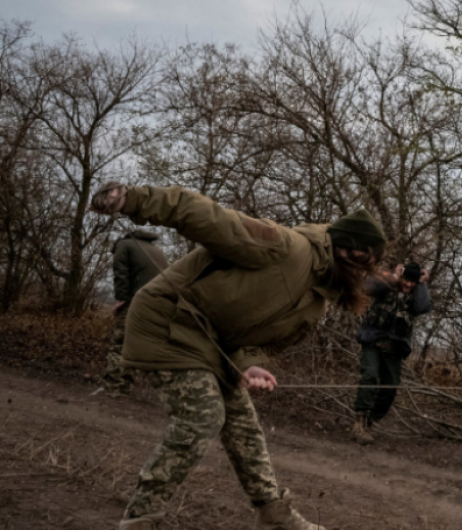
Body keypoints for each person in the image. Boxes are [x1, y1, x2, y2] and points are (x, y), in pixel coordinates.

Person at [87, 182, 386, 530]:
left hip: (212, 342)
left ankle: (273, 513)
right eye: (367, 266)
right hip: (169, 319)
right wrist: (133, 199)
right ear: (350, 253)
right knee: (203, 417)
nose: (365, 277)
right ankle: (141, 517)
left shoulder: (315, 300)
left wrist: (251, 364)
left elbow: (263, 345)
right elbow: (208, 217)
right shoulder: (286, 246)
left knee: (243, 425)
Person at [352, 260, 432, 443]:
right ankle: (359, 422)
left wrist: (422, 283)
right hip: (373, 342)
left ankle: (369, 422)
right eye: (406, 280)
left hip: (394, 349)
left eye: (412, 282)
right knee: (369, 377)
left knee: (390, 388)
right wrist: (394, 278)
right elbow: (368, 288)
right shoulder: (387, 285)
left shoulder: (415, 296)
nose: (408, 284)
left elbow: (422, 307)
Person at [95, 228, 169, 396]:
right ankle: (125, 386)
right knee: (135, 345)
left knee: (119, 343)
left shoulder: (123, 245)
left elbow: (120, 274)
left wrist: (122, 300)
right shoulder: (154, 249)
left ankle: (112, 387)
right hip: (160, 304)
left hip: (139, 302)